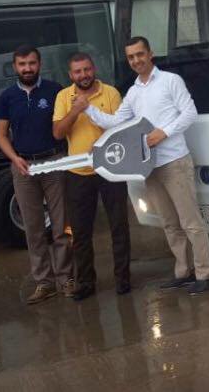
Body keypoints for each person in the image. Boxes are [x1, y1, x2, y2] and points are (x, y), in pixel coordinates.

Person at [78, 36, 209, 295]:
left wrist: (164, 132)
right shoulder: (133, 92)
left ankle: (204, 273)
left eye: (140, 54)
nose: (136, 60)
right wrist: (88, 109)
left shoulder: (171, 81)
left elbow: (190, 112)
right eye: (131, 57)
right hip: (149, 166)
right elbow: (116, 122)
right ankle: (183, 272)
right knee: (169, 223)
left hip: (174, 161)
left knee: (190, 221)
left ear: (150, 54)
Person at [0, 45, 74, 304]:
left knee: (61, 226)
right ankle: (44, 283)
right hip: (24, 167)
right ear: (15, 67)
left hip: (54, 162)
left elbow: (64, 126)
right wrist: (14, 157)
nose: (27, 68)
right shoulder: (7, 97)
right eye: (22, 64)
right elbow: (1, 135)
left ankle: (66, 278)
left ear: (39, 64)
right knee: (34, 229)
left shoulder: (55, 90)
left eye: (31, 63)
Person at [52, 52, 131, 301]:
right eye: (78, 71)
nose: (83, 75)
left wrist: (94, 114)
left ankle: (123, 279)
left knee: (119, 226)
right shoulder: (63, 97)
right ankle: (86, 282)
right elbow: (57, 133)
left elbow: (121, 128)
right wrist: (76, 110)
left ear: (93, 69)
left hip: (111, 170)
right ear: (70, 75)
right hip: (79, 173)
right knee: (80, 231)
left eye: (86, 69)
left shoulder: (110, 93)